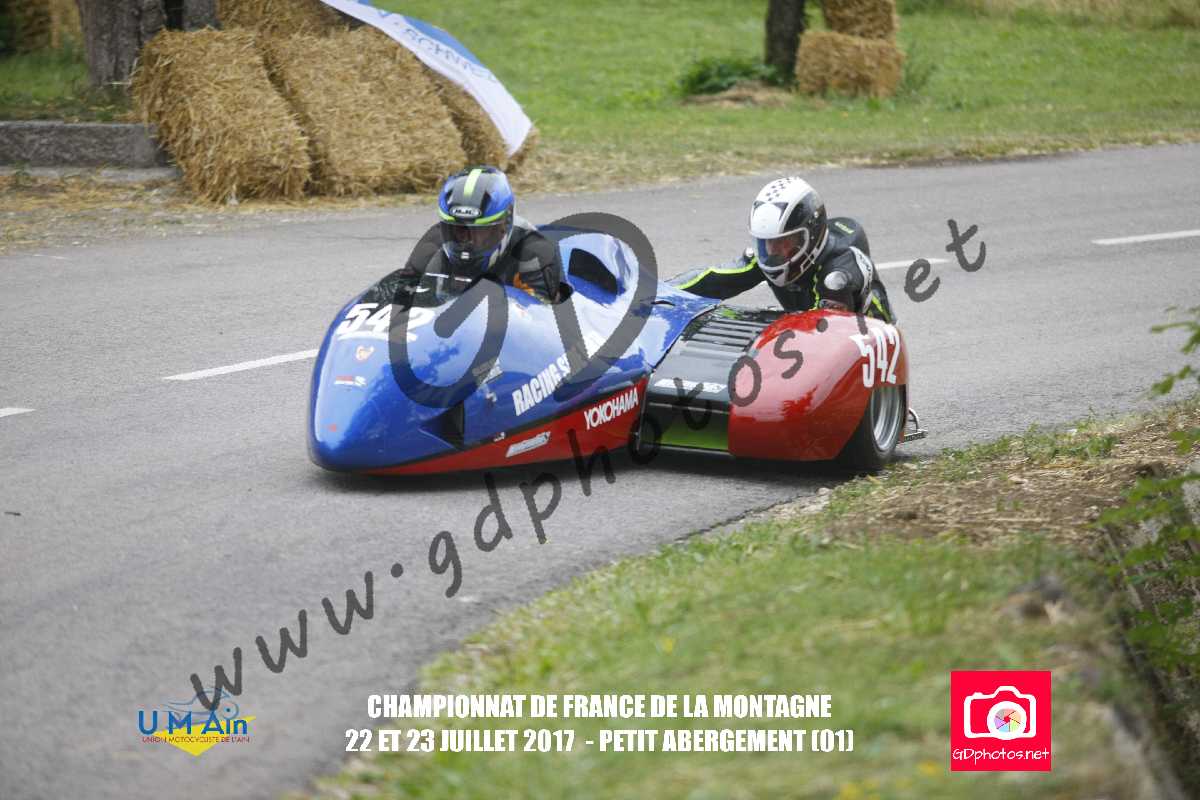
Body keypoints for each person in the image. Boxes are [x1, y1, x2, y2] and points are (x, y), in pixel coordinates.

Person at [669, 176, 894, 321]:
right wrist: (663, 293)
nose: (775, 253)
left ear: (812, 233)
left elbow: (823, 331)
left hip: (871, 354)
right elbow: (714, 279)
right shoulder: (770, 258)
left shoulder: (837, 274)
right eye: (767, 243)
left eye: (785, 242)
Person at [400, 165, 562, 302]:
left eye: (478, 231)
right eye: (456, 230)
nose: (465, 240)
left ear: (504, 225)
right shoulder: (433, 248)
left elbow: (541, 318)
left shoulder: (533, 253)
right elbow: (403, 301)